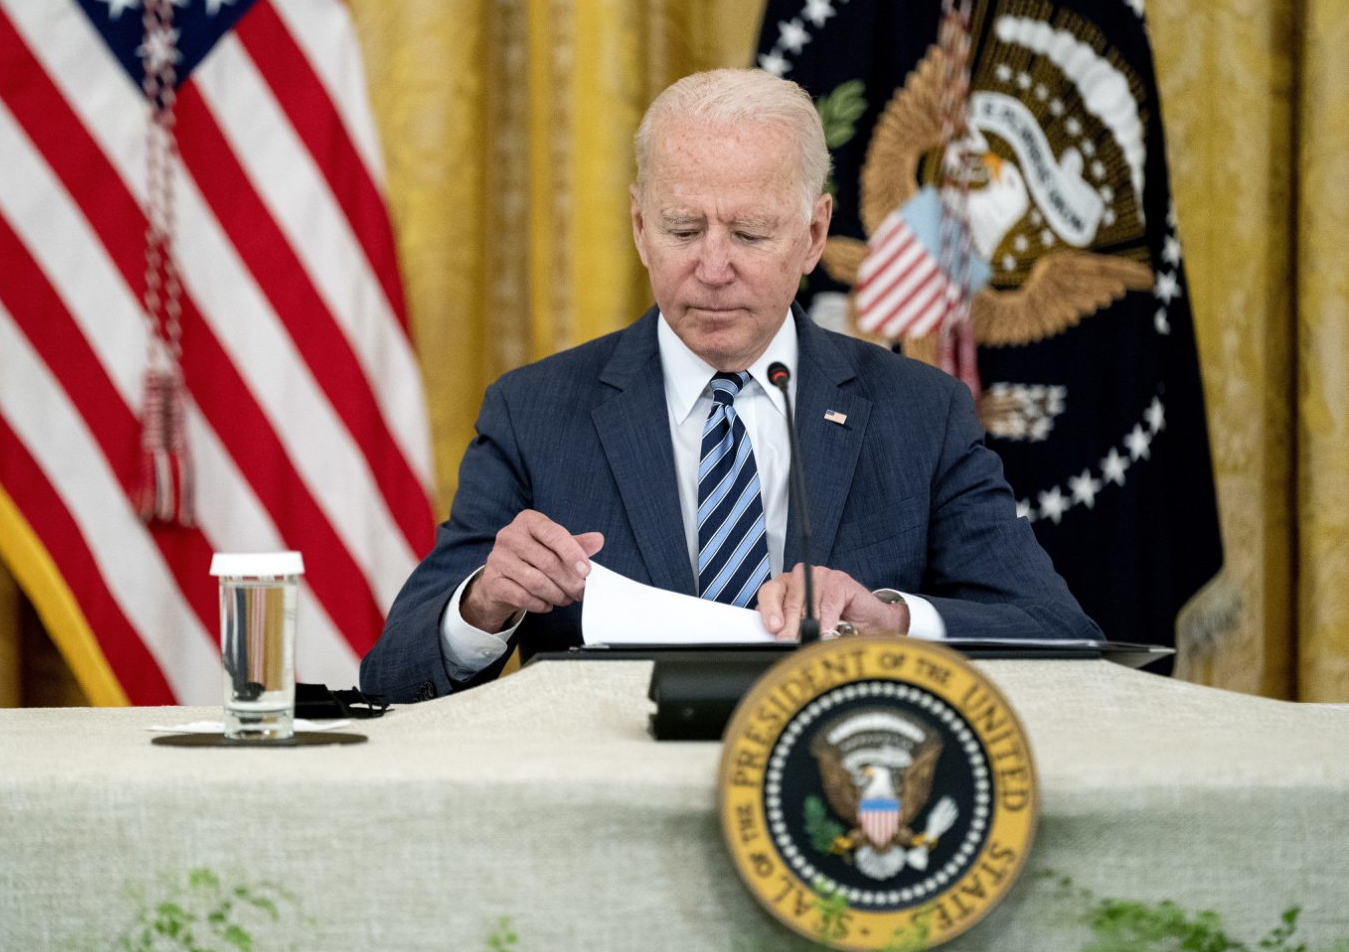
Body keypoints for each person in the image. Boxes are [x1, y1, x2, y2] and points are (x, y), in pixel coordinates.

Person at [360, 68, 1101, 703]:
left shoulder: (919, 414)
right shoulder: (535, 413)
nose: (713, 269)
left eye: (749, 234)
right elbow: (391, 678)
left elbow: (1062, 636)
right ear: (639, 225)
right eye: (684, 230)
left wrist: (892, 620)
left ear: (814, 235)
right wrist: (484, 605)